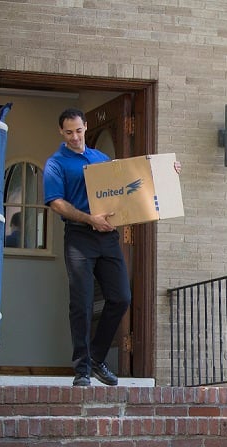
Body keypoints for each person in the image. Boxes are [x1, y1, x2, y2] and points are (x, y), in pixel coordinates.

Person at [43, 107, 179, 387]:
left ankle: (96, 358)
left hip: (107, 238)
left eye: (79, 131)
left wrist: (168, 172)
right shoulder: (55, 163)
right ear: (61, 132)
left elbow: (131, 181)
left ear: (85, 127)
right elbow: (56, 203)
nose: (74, 137)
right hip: (79, 236)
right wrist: (89, 219)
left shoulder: (100, 159)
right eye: (68, 132)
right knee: (81, 302)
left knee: (121, 298)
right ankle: (82, 370)